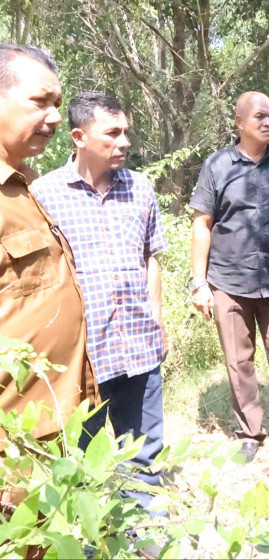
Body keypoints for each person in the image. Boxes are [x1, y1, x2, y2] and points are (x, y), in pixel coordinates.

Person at [31, 92, 168, 511]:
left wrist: (158, 320)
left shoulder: (140, 188)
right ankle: (89, 540)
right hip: (83, 355)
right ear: (78, 136)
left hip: (140, 346)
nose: (124, 141)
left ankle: (147, 536)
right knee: (79, 457)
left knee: (144, 451)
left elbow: (151, 258)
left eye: (126, 131)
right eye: (112, 133)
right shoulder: (44, 195)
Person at [190, 91, 269, 462]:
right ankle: (250, 432)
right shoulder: (217, 166)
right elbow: (202, 223)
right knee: (239, 361)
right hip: (227, 280)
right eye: (260, 117)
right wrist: (199, 282)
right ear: (240, 123)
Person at [0, 43, 97, 449]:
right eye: (40, 101)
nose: (55, 116)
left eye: (57, 103)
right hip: (14, 444)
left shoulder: (24, 186)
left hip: (56, 424)